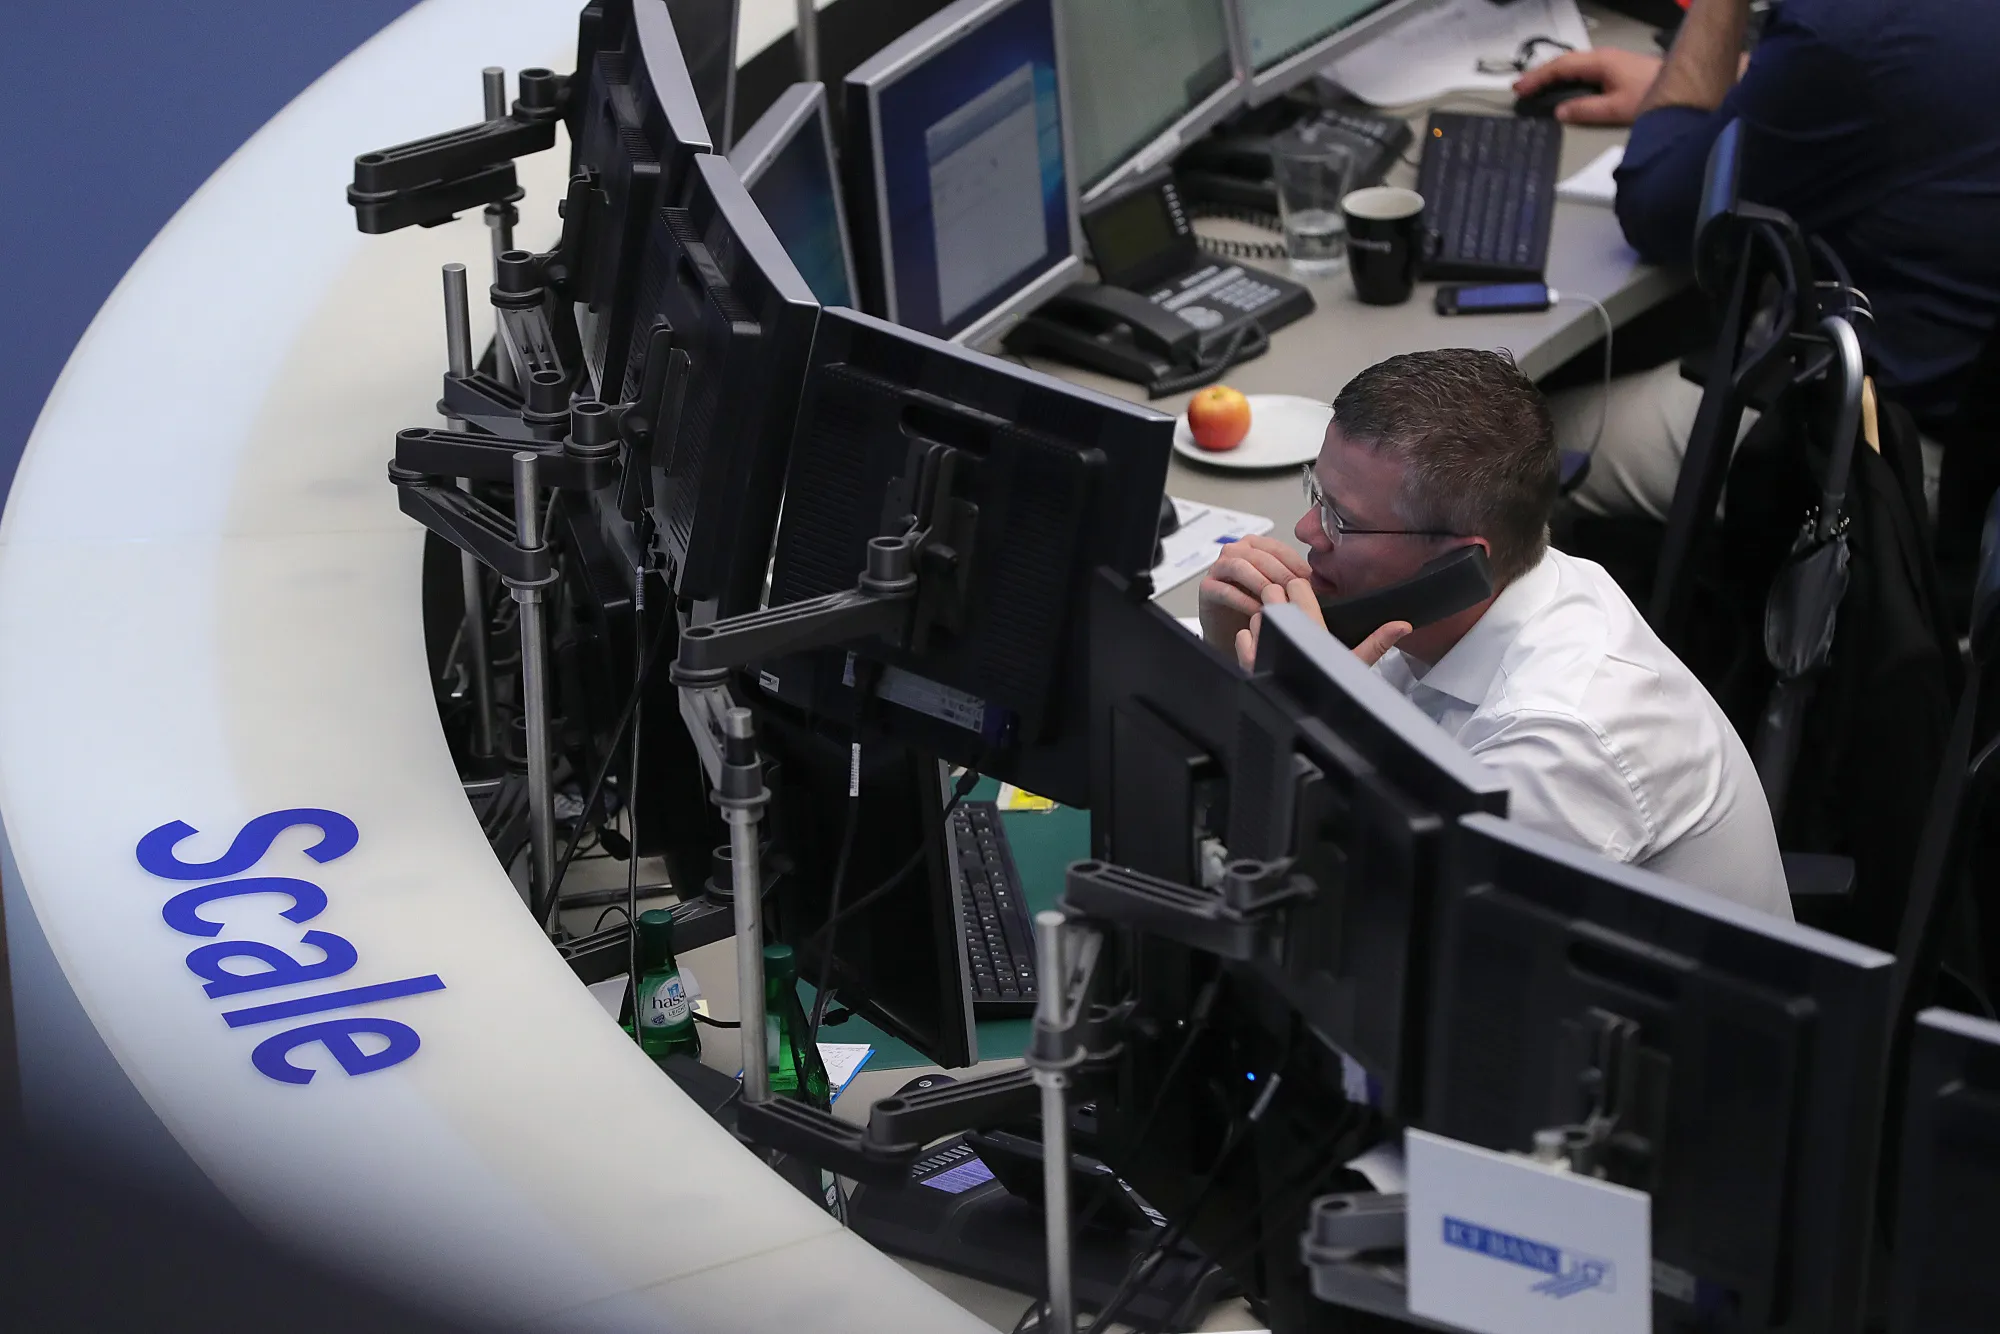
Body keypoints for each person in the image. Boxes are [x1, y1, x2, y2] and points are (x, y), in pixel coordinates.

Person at [1198, 349, 1791, 919]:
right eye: (1315, 494)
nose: (1307, 530)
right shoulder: (1457, 602)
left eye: (1340, 520)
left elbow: (1359, 918)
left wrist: (1297, 723)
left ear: (1455, 563)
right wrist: (1228, 654)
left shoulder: (1557, 742)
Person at [1512, 0, 2000, 522]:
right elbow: (1925, 68)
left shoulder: (1852, 28)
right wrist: (1739, 83)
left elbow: (1655, 210)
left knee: (1508, 458)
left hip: (1893, 450)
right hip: (1965, 405)